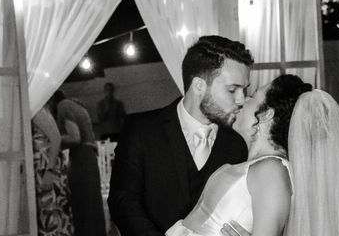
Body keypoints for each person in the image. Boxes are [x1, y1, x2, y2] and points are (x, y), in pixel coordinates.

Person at [168, 74, 339, 236]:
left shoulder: (271, 170)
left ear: (267, 114)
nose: (244, 100)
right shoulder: (257, 165)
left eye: (254, 95)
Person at [108, 35, 254, 236]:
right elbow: (122, 201)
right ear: (199, 86)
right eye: (232, 90)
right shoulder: (141, 130)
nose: (241, 100)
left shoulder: (237, 146)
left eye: (245, 90)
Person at [53, 91, 106, 236]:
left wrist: (54, 139)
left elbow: (75, 137)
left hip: (81, 158)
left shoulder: (63, 106)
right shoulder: (76, 105)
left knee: (82, 203)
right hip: (89, 156)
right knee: (92, 203)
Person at [32, 102, 74, 236]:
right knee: (50, 212)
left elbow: (55, 138)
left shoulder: (36, 110)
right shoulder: (37, 109)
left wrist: (49, 171)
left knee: (51, 212)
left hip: (46, 167)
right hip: (43, 167)